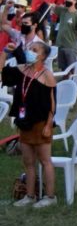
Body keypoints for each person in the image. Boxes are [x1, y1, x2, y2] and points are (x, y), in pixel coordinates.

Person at [1, 39, 57, 207]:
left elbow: (53, 104)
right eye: (30, 48)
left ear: (43, 56)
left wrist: (48, 125)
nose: (30, 51)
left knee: (45, 160)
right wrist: (5, 51)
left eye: (35, 50)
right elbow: (2, 70)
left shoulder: (47, 75)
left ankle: (50, 197)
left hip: (41, 123)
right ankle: (30, 195)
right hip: (25, 122)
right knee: (28, 161)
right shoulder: (22, 70)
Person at [53, 0, 77, 72]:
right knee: (63, 69)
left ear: (75, 1)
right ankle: (65, 82)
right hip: (61, 45)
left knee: (71, 69)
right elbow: (52, 5)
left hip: (70, 46)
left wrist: (73, 36)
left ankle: (72, 82)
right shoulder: (62, 10)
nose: (67, 0)